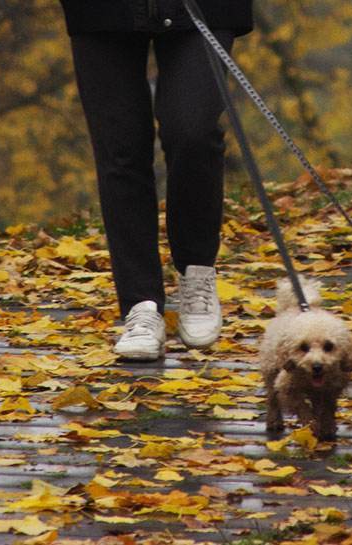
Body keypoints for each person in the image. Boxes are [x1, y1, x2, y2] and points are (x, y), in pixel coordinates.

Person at [60, 0, 254, 361]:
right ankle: (141, 305)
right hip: (103, 14)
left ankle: (197, 270)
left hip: (201, 8)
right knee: (120, 149)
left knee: (193, 131)